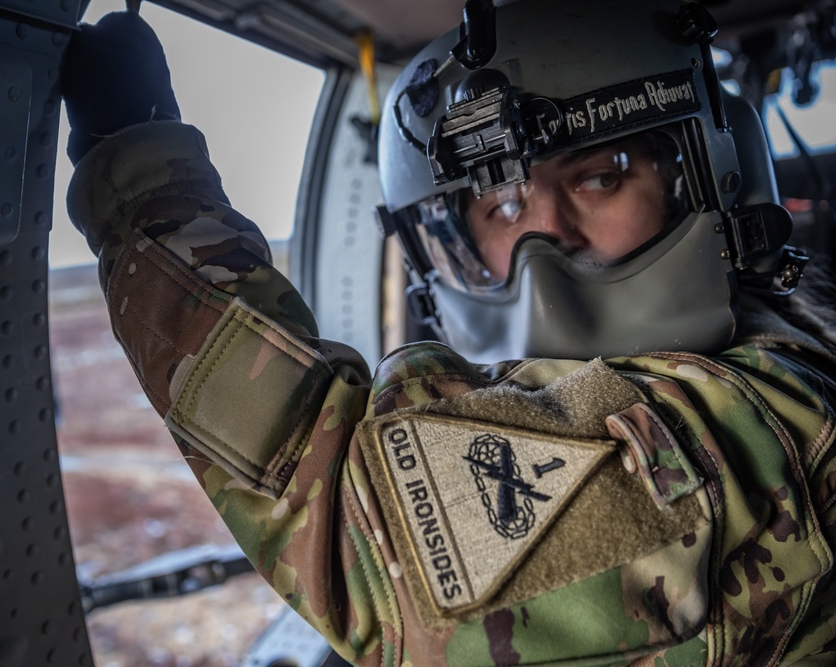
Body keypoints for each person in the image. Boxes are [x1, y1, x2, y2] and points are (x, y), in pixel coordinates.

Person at [61, 0, 836, 664]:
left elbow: (366, 545)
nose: (545, 238)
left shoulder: (776, 418)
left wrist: (142, 168)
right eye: (500, 207)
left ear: (717, 182)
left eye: (601, 176)